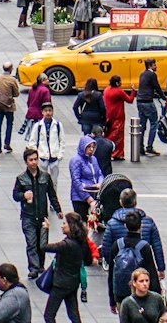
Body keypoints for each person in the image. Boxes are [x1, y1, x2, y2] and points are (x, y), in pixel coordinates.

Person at [36, 211, 92, 323]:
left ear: (71, 226)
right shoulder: (82, 242)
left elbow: (43, 246)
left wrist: (45, 229)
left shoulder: (66, 244)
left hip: (60, 283)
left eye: (64, 223)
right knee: (74, 313)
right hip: (73, 283)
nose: (62, 226)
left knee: (49, 314)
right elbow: (87, 260)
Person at [13, 147, 63, 279]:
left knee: (42, 243)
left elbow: (51, 194)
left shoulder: (45, 177)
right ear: (26, 162)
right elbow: (15, 195)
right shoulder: (21, 178)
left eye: (35, 159)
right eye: (31, 160)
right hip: (28, 216)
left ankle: (40, 264)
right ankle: (33, 268)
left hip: (42, 216)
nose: (34, 162)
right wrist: (23, 195)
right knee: (31, 242)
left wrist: (58, 209)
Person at [0, 65, 21, 155]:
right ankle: (7, 143)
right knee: (9, 124)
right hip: (9, 106)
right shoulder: (12, 80)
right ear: (10, 69)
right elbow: (16, 93)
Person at [68, 136, 102, 224]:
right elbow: (76, 181)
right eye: (88, 147)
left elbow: (99, 173)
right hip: (80, 197)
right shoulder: (76, 160)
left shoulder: (93, 159)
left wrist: (100, 182)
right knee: (81, 223)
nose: (91, 149)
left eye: (93, 147)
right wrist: (88, 198)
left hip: (94, 194)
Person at [103, 75, 136, 161]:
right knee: (118, 136)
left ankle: (108, 152)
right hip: (118, 116)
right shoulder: (119, 92)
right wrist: (133, 90)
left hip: (108, 115)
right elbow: (130, 100)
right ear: (117, 83)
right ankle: (117, 153)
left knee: (108, 133)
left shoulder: (106, 90)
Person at [137, 60, 165, 157]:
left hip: (140, 101)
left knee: (142, 125)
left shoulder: (142, 74)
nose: (156, 66)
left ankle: (140, 147)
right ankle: (149, 147)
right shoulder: (152, 75)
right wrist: (164, 98)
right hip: (148, 102)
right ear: (150, 66)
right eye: (154, 65)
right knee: (154, 124)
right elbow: (157, 87)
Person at [34, 101, 64, 190]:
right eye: (46, 111)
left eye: (50, 110)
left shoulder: (58, 125)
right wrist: (37, 155)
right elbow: (33, 142)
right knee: (42, 180)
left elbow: (62, 141)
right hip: (42, 157)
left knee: (54, 181)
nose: (48, 113)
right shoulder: (38, 126)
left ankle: (53, 199)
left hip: (54, 158)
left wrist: (60, 155)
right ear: (42, 112)